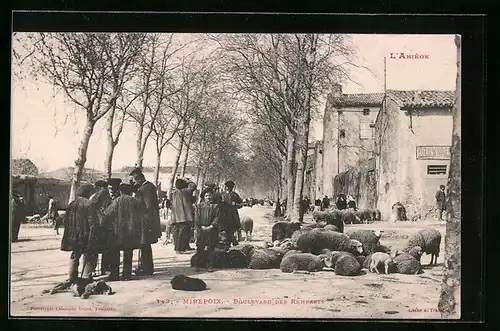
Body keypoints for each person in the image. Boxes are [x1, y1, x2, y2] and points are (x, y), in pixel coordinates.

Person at [104, 183, 144, 281]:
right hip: (132, 231)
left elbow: (108, 214)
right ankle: (127, 274)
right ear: (131, 192)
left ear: (121, 191)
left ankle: (115, 274)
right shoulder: (137, 202)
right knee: (128, 253)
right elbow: (143, 216)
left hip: (118, 231)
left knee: (115, 253)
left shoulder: (117, 201)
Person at [60, 184, 96, 282]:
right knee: (89, 255)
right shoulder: (89, 204)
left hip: (73, 235)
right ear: (87, 193)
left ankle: (72, 277)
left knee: (75, 254)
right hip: (85, 234)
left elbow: (65, 221)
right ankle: (86, 276)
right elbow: (92, 222)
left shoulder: (71, 204)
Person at [132, 171, 162, 276]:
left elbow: (147, 206)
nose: (134, 183)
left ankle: (146, 268)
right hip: (148, 219)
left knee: (144, 244)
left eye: (135, 181)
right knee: (145, 244)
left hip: (145, 220)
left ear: (139, 179)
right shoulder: (150, 186)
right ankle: (144, 266)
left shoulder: (144, 189)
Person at [88, 180, 112, 278]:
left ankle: (92, 270)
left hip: (97, 223)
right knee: (105, 248)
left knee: (95, 248)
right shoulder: (103, 194)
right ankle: (104, 269)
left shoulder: (96, 195)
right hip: (103, 223)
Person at [194, 191, 220, 272]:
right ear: (203, 197)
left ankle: (209, 265)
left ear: (212, 197)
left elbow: (217, 217)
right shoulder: (199, 206)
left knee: (211, 248)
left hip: (212, 230)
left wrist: (211, 226)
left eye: (210, 195)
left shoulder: (215, 206)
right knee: (200, 247)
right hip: (201, 229)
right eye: (206, 196)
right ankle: (197, 265)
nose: (208, 197)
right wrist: (201, 226)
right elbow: (197, 217)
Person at [170, 178, 197, 253]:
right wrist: (187, 180)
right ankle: (179, 249)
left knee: (179, 232)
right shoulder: (185, 191)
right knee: (183, 233)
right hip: (184, 216)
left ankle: (184, 246)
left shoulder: (174, 192)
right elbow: (193, 186)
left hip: (176, 216)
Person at [219, 180, 243, 250]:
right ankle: (232, 241)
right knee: (224, 229)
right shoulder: (221, 194)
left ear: (232, 187)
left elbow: (241, 204)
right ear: (225, 187)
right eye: (227, 186)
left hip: (232, 215)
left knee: (231, 229)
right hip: (223, 214)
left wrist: (236, 204)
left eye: (230, 187)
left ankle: (229, 243)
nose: (228, 188)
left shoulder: (235, 195)